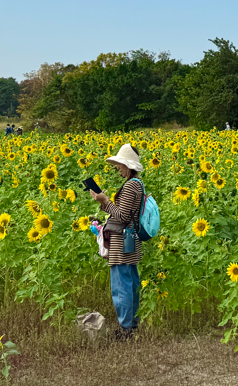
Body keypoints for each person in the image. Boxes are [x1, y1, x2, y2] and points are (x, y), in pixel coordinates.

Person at [88, 143, 146, 339]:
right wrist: (105, 203)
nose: (117, 168)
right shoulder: (138, 184)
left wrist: (105, 201)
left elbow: (122, 216)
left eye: (120, 165)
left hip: (122, 241)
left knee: (121, 286)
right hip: (130, 239)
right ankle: (132, 324)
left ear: (128, 166)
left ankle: (125, 329)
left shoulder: (130, 186)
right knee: (131, 283)